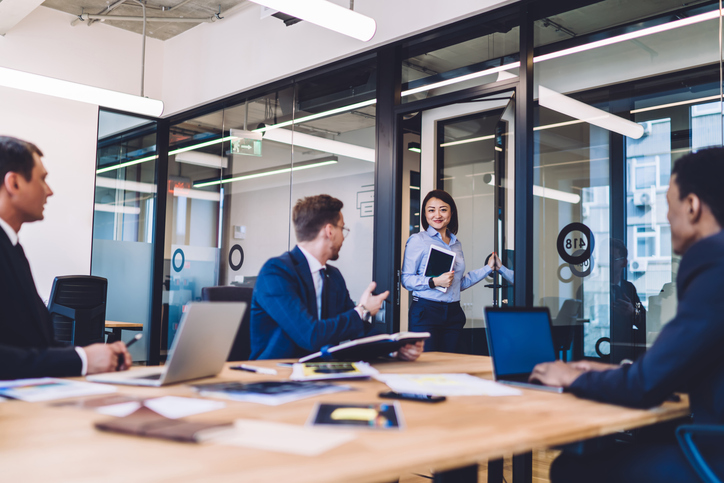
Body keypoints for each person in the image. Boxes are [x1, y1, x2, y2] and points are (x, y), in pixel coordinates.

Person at [530, 147, 724, 482]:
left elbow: (643, 386)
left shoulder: (713, 262)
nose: (666, 216)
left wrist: (573, 376)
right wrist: (610, 370)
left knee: (570, 467)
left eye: (669, 203)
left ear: (692, 206)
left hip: (715, 455)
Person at [0, 136, 131, 380]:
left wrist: (93, 354)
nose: (49, 191)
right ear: (14, 183)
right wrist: (82, 360)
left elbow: (36, 344)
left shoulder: (12, 247)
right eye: (42, 179)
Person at [250, 194, 423, 360]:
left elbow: (359, 330)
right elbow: (310, 335)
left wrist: (396, 347)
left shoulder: (333, 276)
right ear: (329, 231)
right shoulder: (275, 272)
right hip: (277, 375)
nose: (344, 237)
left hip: (323, 372)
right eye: (343, 228)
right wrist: (362, 310)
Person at [401, 189, 513, 352]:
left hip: (453, 313)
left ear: (451, 212)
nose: (437, 215)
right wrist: (434, 281)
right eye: (431, 210)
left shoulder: (455, 243)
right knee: (427, 366)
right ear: (424, 214)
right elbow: (406, 279)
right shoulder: (418, 240)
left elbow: (458, 283)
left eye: (443, 209)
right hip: (426, 312)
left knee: (452, 365)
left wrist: (488, 268)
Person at [610, 238, 646, 362]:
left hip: (624, 356)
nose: (607, 262)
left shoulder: (629, 288)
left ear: (624, 263)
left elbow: (643, 316)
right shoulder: (591, 288)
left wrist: (633, 312)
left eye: (611, 258)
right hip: (596, 353)